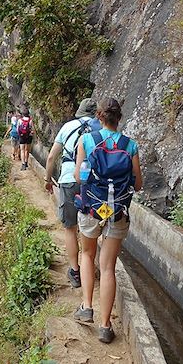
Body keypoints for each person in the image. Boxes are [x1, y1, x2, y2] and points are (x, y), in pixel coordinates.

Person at [72, 98, 142, 344]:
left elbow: (80, 177)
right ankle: (105, 326)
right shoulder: (130, 145)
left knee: (87, 255)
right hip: (118, 211)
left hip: (93, 208)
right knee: (109, 267)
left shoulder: (87, 140)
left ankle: (87, 307)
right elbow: (138, 184)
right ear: (118, 118)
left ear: (99, 117)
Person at [44, 98, 101, 289]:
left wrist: (47, 180)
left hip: (68, 180)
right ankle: (91, 266)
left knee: (70, 227)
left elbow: (52, 156)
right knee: (91, 225)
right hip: (92, 183)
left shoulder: (68, 127)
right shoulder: (101, 129)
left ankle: (75, 271)